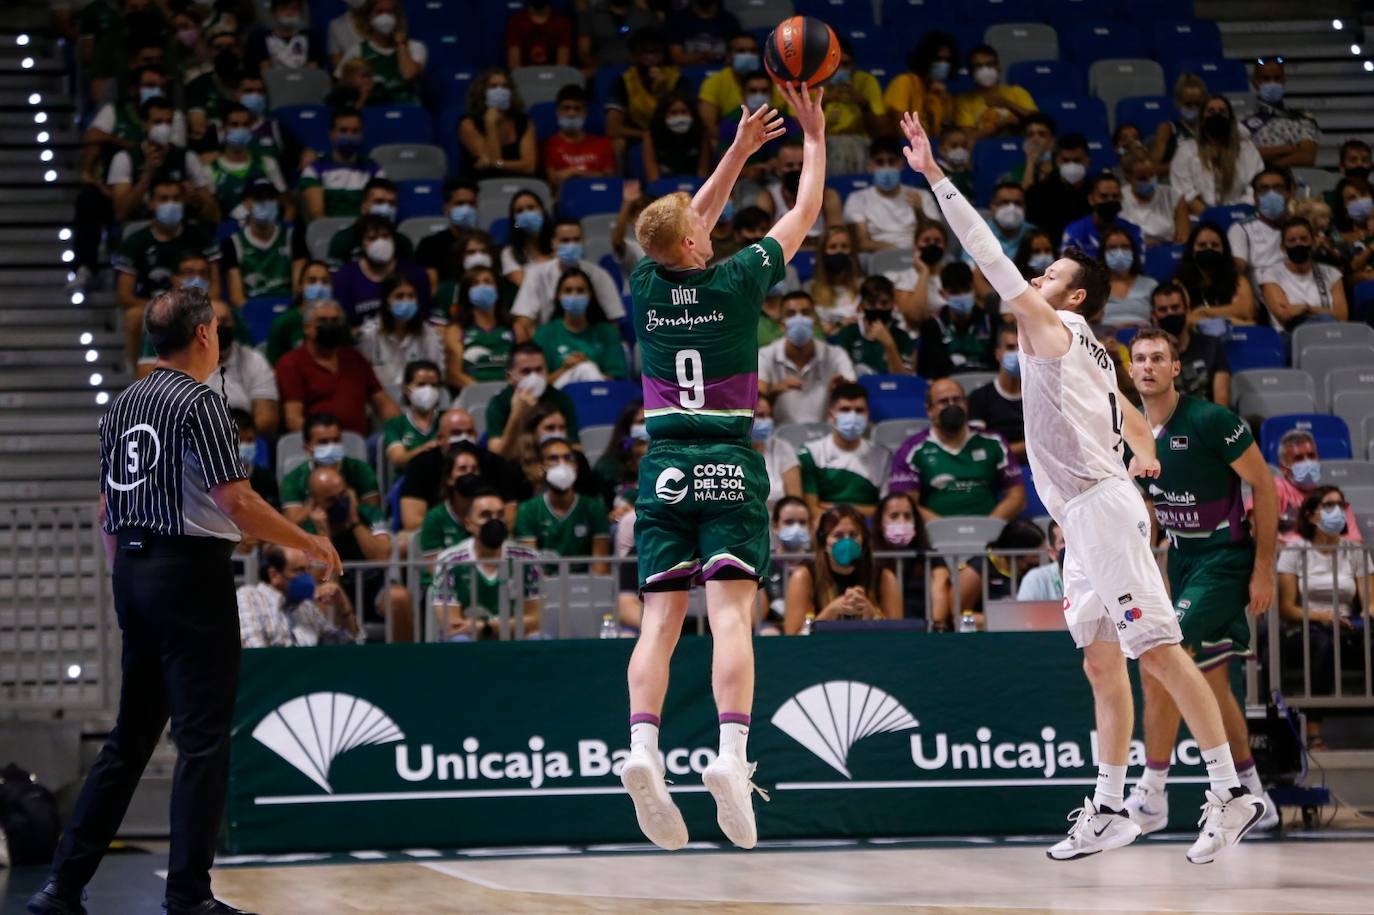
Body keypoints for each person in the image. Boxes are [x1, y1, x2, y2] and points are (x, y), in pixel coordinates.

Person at [901, 108, 1266, 862]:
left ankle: (1234, 792)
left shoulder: (1050, 326)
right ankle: (1110, 806)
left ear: (1069, 298)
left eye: (1051, 276)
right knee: (1102, 659)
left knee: (1160, 651)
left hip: (1100, 511)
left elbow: (986, 252)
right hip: (1086, 513)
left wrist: (936, 175)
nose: (1036, 278)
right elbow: (1134, 418)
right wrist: (1147, 457)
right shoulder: (1095, 346)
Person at [27, 286, 341, 915]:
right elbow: (237, 502)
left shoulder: (123, 404)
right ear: (203, 335)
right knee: (201, 741)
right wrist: (308, 541)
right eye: (218, 329)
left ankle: (61, 886)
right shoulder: (201, 403)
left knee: (131, 738)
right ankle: (189, 896)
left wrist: (128, 582)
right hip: (190, 577)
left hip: (137, 573)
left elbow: (106, 508)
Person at [620, 84, 823, 853]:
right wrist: (813, 137)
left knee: (661, 624)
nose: (708, 231)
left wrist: (737, 150)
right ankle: (731, 758)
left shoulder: (645, 284)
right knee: (732, 616)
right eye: (700, 231)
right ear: (697, 246)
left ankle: (643, 747)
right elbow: (802, 212)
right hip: (728, 462)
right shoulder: (738, 280)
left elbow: (680, 224)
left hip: (664, 462)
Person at [1125, 327, 1283, 832]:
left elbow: (1264, 485)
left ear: (1176, 368)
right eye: (1140, 359)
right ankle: (1256, 798)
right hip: (1181, 560)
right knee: (1212, 682)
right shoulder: (1129, 430)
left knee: (1158, 659)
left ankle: (1152, 794)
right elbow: (1151, 508)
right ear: (1130, 372)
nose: (1148, 366)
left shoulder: (1212, 421)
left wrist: (1262, 570)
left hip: (1224, 559)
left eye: (1158, 358)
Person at [1276, 485, 1372, 748]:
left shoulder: (1354, 551)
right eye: (1329, 506)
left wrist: (1368, 613)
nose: (1337, 512)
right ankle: (1314, 730)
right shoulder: (1294, 551)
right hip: (1306, 628)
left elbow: (1369, 601)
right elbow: (1286, 608)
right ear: (1310, 515)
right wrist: (1321, 616)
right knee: (1321, 645)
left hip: (1347, 626)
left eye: (1341, 506)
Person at [113, 177, 221, 363]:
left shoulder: (200, 236)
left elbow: (216, 287)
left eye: (176, 198)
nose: (171, 204)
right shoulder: (136, 241)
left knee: (221, 312)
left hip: (198, 303)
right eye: (164, 199)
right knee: (133, 317)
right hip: (152, 303)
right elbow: (124, 296)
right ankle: (139, 377)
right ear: (152, 203)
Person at [889, 377, 1025, 521]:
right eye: (943, 402)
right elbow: (904, 504)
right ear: (929, 410)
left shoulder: (994, 443)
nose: (951, 406)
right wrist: (945, 529)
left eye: (957, 400)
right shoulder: (912, 450)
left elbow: (1017, 496)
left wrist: (989, 528)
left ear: (966, 405)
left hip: (992, 532)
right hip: (933, 535)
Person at [431, 484, 542, 640]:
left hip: (514, 639)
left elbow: (536, 619)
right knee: (458, 641)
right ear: (469, 524)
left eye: (500, 514)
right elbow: (452, 625)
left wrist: (486, 626)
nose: (494, 521)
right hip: (469, 640)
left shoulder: (528, 559)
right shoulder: (449, 561)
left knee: (540, 638)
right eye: (486, 515)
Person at [274, 298, 400, 435]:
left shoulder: (355, 359)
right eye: (323, 320)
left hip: (361, 444)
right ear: (307, 328)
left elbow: (384, 404)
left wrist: (403, 430)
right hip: (316, 444)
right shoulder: (291, 363)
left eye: (335, 321)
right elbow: (293, 419)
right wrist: (329, 439)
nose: (330, 325)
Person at [783, 504, 900, 633]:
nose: (847, 541)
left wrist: (872, 615)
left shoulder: (884, 577)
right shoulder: (803, 577)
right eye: (838, 535)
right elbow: (794, 638)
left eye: (853, 535)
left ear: (864, 540)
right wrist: (832, 611)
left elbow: (897, 638)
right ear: (824, 541)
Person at [511, 218, 628, 339]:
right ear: (553, 243)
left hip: (590, 343)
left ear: (584, 241)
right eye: (565, 240)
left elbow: (613, 321)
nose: (571, 245)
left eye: (576, 240)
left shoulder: (599, 275)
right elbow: (522, 321)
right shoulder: (535, 274)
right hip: (549, 345)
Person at [756, 291, 857, 425]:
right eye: (791, 314)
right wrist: (775, 390)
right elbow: (756, 399)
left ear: (815, 321)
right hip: (780, 436)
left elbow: (855, 396)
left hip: (825, 437)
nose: (799, 319)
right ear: (781, 325)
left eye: (805, 312)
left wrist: (841, 390)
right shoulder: (765, 355)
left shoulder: (836, 354)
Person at [513, 436, 611, 567]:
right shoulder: (527, 510)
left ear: (576, 467)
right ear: (541, 467)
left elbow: (601, 567)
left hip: (586, 584)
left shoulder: (594, 508)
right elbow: (531, 568)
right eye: (553, 458)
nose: (562, 464)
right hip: (544, 585)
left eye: (567, 458)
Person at [237, 545, 361, 647]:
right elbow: (255, 653)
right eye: (299, 571)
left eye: (308, 570)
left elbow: (348, 643)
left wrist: (343, 604)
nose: (308, 578)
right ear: (274, 575)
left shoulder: (305, 606)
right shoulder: (249, 597)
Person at [799, 383, 891, 517]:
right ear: (831, 415)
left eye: (859, 410)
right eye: (845, 409)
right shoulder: (810, 454)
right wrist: (863, 511)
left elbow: (885, 512)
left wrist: (838, 508)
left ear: (867, 416)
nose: (852, 416)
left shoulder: (883, 456)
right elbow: (813, 511)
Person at [280, 411, 381, 524]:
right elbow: (292, 523)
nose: (331, 447)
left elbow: (375, 516)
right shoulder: (293, 479)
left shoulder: (361, 470)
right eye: (323, 442)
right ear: (307, 448)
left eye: (336, 440)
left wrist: (350, 503)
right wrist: (319, 499)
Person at [1264, 429, 1364, 542]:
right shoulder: (1272, 488)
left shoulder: (1334, 498)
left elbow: (1356, 543)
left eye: (1311, 456)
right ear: (1283, 468)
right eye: (1298, 458)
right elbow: (1260, 535)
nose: (1307, 462)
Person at [844, 137, 941, 252]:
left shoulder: (922, 196)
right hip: (878, 255)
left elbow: (937, 237)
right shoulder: (857, 199)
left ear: (901, 164)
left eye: (892, 161)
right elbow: (862, 243)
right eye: (880, 162)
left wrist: (919, 212)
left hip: (920, 252)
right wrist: (896, 251)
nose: (886, 167)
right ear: (870, 166)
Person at [1170, 96, 1265, 214]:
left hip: (1239, 214)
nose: (1217, 115)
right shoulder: (1185, 150)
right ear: (1202, 118)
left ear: (1230, 118)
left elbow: (1255, 186)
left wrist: (1233, 213)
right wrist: (1212, 217)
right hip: (1199, 218)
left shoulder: (1247, 149)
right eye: (1211, 111)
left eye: (1222, 112)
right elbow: (1184, 192)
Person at [486, 343, 583, 457]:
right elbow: (497, 458)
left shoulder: (561, 399)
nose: (534, 377)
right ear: (510, 377)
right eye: (526, 371)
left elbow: (576, 449)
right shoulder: (499, 403)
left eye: (539, 370)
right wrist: (516, 416)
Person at [534, 268, 629, 385]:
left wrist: (589, 367)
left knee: (586, 369)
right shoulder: (544, 334)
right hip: (558, 398)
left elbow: (618, 382)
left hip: (600, 393)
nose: (574, 295)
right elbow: (537, 384)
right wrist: (565, 369)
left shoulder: (606, 332)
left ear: (590, 295)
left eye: (580, 290)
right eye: (568, 291)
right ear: (558, 296)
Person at [872, 491, 949, 626]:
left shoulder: (930, 556)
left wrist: (936, 626)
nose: (902, 521)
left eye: (907, 516)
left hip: (924, 627)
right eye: (894, 516)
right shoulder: (871, 557)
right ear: (880, 522)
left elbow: (940, 586)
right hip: (886, 629)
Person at [1148, 283, 1232, 406]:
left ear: (1187, 310)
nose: (1170, 313)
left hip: (1208, 418)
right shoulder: (1148, 354)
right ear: (1154, 316)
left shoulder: (1211, 345)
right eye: (1163, 310)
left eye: (1175, 307)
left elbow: (1222, 397)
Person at [356, 274, 446, 387]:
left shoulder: (428, 334)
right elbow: (358, 375)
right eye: (399, 296)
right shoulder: (369, 334)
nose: (406, 301)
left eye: (411, 296)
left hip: (416, 399)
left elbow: (437, 374)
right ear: (387, 301)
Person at [1259, 216, 1348, 330]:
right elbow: (1285, 317)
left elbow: (1341, 317)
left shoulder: (1332, 273)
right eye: (1292, 240)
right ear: (1283, 247)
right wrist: (1325, 312)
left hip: (1331, 333)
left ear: (1313, 241)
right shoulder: (1271, 274)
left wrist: (1307, 308)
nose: (1298, 244)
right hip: (1292, 336)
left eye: (1304, 239)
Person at [297, 107, 385, 221]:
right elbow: (317, 215)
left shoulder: (375, 170)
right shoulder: (314, 169)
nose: (349, 136)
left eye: (355, 131)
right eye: (343, 131)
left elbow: (377, 211)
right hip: (327, 234)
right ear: (331, 134)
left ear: (362, 134)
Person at [817, 37, 888, 175]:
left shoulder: (865, 81)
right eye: (834, 64)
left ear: (853, 65)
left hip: (860, 145)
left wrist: (864, 105)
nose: (840, 69)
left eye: (845, 64)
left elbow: (881, 132)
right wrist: (823, 102)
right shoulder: (812, 84)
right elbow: (799, 131)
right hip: (823, 146)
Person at [753, 140, 844, 246]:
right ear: (778, 168)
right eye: (789, 166)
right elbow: (761, 239)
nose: (796, 169)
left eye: (802, 165)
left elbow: (837, 236)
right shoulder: (768, 198)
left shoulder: (828, 196)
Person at [222, 178, 292, 306]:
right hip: (253, 308)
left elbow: (299, 289)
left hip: (287, 306)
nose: (266, 203)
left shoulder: (292, 237)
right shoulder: (232, 243)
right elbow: (237, 298)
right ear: (246, 204)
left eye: (270, 198)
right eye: (259, 199)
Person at [957, 519, 1048, 617]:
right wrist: (1002, 620)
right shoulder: (976, 571)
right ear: (1017, 550)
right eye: (1035, 555)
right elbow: (959, 616)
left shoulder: (1036, 569)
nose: (1039, 560)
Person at [445, 266, 516, 390]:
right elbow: (453, 374)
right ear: (467, 292)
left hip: (510, 393)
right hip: (474, 395)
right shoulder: (456, 330)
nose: (482, 287)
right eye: (475, 284)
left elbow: (527, 365)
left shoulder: (515, 327)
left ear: (497, 289)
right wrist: (482, 391)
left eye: (487, 282)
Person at [459, 68, 538, 180]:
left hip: (520, 181)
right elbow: (492, 168)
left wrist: (499, 163)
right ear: (482, 91)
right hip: (484, 183)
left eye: (505, 86)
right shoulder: (468, 124)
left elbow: (529, 166)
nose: (500, 90)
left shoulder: (523, 121)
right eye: (493, 86)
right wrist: (490, 124)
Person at [1175, 222, 1258, 326]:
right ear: (1192, 250)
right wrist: (1232, 320)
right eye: (1202, 245)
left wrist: (1203, 312)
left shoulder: (1238, 280)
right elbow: (1186, 319)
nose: (1209, 249)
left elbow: (1246, 311)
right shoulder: (1180, 283)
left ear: (1224, 250)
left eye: (1215, 245)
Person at [831, 275, 914, 376]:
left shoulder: (902, 336)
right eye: (871, 303)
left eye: (884, 303)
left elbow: (904, 381)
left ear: (893, 304)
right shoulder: (848, 333)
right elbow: (839, 375)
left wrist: (889, 345)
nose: (878, 308)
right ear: (862, 305)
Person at [1246, 57, 1319, 168]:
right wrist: (1292, 148)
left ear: (1284, 81)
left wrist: (1271, 168)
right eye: (1266, 79)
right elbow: (1243, 156)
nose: (1272, 83)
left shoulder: (1302, 118)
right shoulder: (1242, 119)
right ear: (1255, 82)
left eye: (1277, 78)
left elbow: (1307, 157)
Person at [884, 30, 958, 139]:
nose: (943, 64)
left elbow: (946, 138)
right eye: (938, 59)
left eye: (947, 60)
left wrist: (944, 103)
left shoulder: (942, 94)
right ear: (925, 58)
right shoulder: (904, 82)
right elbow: (902, 131)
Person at [967, 324, 1026, 461]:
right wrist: (1027, 447)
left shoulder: (1039, 397)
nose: (1017, 354)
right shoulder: (979, 398)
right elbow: (980, 449)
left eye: (1022, 348)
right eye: (1011, 347)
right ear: (998, 354)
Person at [954, 44, 1036, 141]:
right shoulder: (965, 100)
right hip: (985, 150)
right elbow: (967, 137)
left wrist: (1007, 104)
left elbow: (1038, 120)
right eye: (978, 66)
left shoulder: (1017, 92)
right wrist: (996, 126)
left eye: (989, 64)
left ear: (998, 67)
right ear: (971, 72)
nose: (985, 70)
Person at [542, 84, 616, 191]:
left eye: (577, 108)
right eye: (566, 108)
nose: (571, 114)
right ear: (558, 112)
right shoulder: (549, 144)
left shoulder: (603, 143)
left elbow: (609, 178)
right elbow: (554, 180)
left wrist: (574, 173)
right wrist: (594, 174)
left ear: (585, 112)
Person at [1026, 133, 1092, 244]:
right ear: (1057, 161)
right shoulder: (1038, 193)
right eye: (1066, 160)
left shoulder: (1096, 191)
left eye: (1077, 161)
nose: (1071, 165)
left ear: (1087, 162)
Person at [1061, 173, 1144, 260]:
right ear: (1091, 199)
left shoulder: (1134, 232)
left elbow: (1137, 268)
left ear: (1121, 198)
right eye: (1104, 196)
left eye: (1115, 196)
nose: (1110, 200)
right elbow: (1067, 270)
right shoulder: (1073, 233)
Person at [416, 179, 481, 288]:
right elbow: (431, 288)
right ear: (446, 208)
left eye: (471, 204)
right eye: (460, 203)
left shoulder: (485, 244)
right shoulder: (429, 246)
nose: (466, 209)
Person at [1119, 148, 1189, 248]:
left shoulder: (1175, 196)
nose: (1149, 181)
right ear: (1128, 178)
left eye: (1152, 175)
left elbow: (1183, 239)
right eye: (1142, 178)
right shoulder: (1119, 197)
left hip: (1165, 252)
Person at [381, 359, 441, 472]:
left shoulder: (447, 419)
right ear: (406, 389)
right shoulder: (396, 425)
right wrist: (426, 449)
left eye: (434, 385)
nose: (428, 390)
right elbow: (398, 460)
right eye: (421, 384)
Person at [267, 260, 330, 364]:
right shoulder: (282, 324)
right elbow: (273, 368)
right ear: (300, 287)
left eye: (325, 281)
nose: (319, 287)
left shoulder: (339, 321)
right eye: (312, 281)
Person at [807, 225, 864, 332]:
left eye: (844, 246)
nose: (839, 251)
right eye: (833, 247)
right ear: (823, 253)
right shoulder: (810, 289)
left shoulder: (862, 288)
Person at [643, 92, 710, 182]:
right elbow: (653, 177)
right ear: (664, 115)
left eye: (684, 112)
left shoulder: (701, 133)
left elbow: (702, 174)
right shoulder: (651, 135)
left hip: (694, 187)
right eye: (673, 113)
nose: (679, 116)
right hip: (663, 188)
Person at [750, 395, 801, 512]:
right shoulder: (730, 452)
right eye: (760, 415)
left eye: (769, 415)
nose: (767, 421)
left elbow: (796, 502)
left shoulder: (782, 447)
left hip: (778, 523)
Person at [1100, 227, 1158, 327]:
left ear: (1133, 252)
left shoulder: (1150, 285)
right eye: (1112, 247)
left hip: (1143, 339)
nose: (1119, 253)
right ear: (1103, 253)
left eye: (1125, 247)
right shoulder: (1095, 287)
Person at [1150, 73, 1207, 168]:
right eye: (1188, 105)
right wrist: (1182, 164)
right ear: (1178, 102)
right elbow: (1152, 168)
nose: (1193, 108)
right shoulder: (1167, 129)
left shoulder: (1211, 128)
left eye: (1198, 104)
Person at [500, 190, 554, 287]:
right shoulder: (509, 253)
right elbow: (524, 287)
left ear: (542, 211)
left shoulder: (558, 245)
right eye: (519, 211)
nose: (526, 214)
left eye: (531, 208)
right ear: (515, 221)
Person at [666, 0, 740, 66]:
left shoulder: (730, 21)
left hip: (723, 73)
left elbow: (738, 54)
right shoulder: (678, 20)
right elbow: (676, 58)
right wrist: (701, 56)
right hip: (687, 73)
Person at [504, 0, 572, 68]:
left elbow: (562, 66)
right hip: (524, 76)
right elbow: (514, 66)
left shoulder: (562, 23)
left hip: (554, 76)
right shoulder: (516, 22)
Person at [1017, 520, 1065, 601]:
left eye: (1074, 539)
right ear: (1052, 553)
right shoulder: (1035, 580)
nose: (1072, 547)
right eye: (1063, 541)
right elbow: (1024, 614)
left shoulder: (1092, 576)